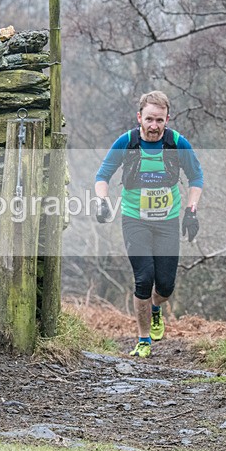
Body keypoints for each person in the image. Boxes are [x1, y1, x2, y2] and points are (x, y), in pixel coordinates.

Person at [95, 91, 203, 358]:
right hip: (135, 220)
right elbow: (102, 175)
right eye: (149, 119)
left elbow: (196, 178)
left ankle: (156, 308)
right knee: (144, 279)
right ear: (139, 117)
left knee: (165, 285)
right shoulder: (126, 142)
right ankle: (143, 339)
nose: (154, 126)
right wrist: (102, 200)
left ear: (168, 119)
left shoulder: (178, 143)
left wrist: (191, 211)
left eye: (159, 120)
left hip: (167, 222)